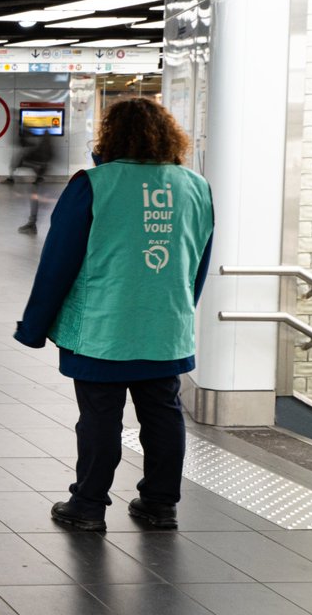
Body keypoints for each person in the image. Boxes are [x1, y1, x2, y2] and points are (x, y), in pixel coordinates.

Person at [14, 97, 214, 532]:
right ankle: (160, 505)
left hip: (101, 328)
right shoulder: (196, 186)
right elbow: (198, 260)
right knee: (163, 413)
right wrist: (179, 309)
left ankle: (87, 506)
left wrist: (34, 327)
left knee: (101, 417)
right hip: (165, 327)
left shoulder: (94, 184)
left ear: (110, 136)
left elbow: (58, 262)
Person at [13, 128, 53, 234]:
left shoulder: (39, 147)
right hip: (39, 178)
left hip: (38, 179)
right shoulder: (44, 146)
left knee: (34, 200)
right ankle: (32, 224)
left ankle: (32, 225)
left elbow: (32, 162)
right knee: (35, 200)